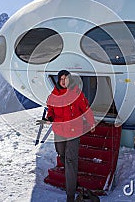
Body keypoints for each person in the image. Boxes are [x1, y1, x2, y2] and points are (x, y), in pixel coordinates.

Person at [46, 70, 96, 202]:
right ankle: (72, 175)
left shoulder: (76, 94)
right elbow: (50, 108)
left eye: (66, 79)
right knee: (61, 154)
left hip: (74, 132)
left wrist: (91, 122)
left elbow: (86, 109)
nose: (63, 81)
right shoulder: (54, 95)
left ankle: (70, 194)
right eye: (61, 79)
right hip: (59, 131)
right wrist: (50, 116)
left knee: (70, 160)